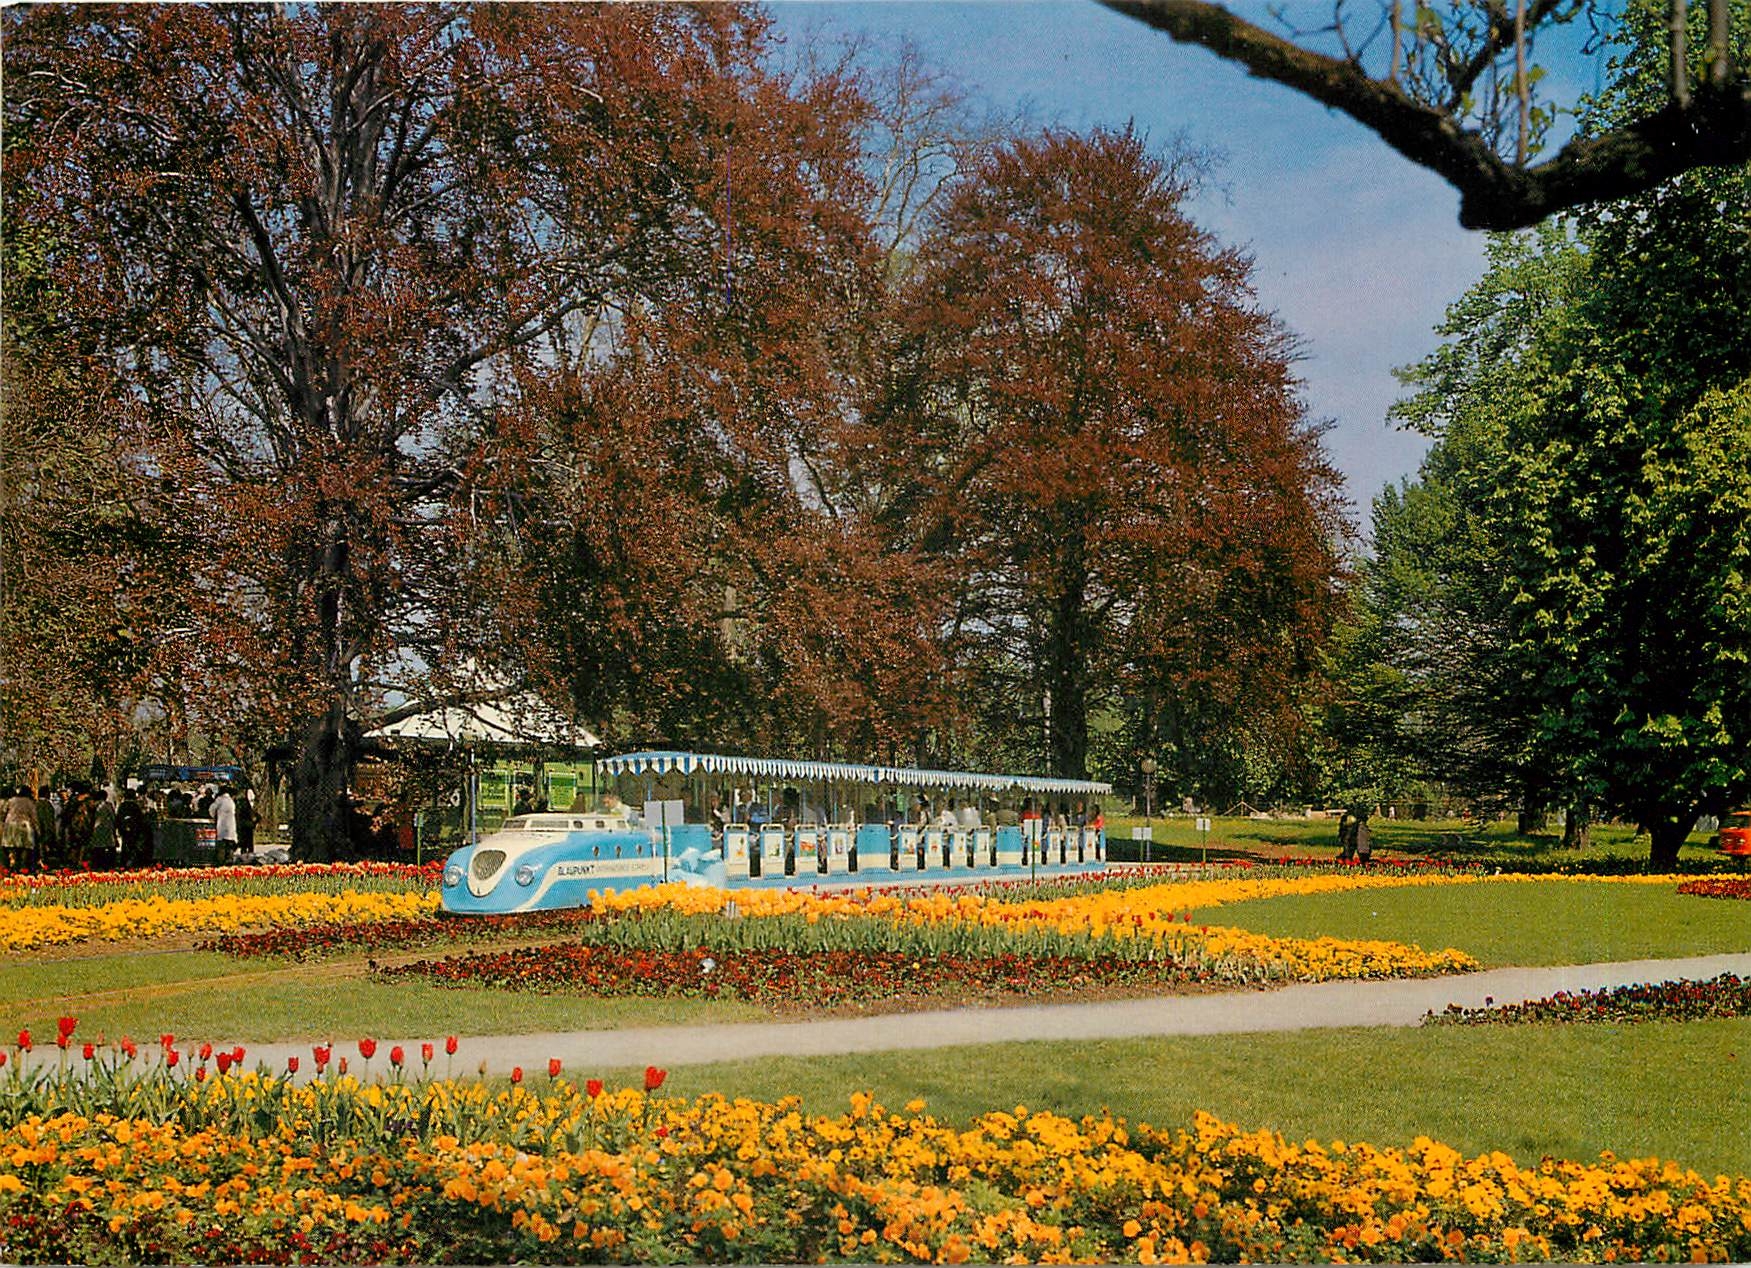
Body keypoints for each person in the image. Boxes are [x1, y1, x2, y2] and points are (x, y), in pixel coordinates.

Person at [2, 787, 36, 871]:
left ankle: (12, 860)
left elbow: (3, 812)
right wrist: (37, 829)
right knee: (25, 848)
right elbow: (34, 817)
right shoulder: (29, 802)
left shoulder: (11, 801)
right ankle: (22, 866)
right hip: (24, 826)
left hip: (11, 825)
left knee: (11, 847)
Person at [116, 787, 148, 866]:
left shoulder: (122, 806)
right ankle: (132, 862)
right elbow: (140, 819)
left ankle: (123, 862)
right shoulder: (135, 806)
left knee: (125, 845)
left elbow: (118, 818)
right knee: (133, 847)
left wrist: (119, 829)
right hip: (134, 830)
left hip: (124, 830)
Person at [89, 789, 117, 866]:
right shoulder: (108, 805)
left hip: (97, 828)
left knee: (98, 847)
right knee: (109, 845)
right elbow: (113, 817)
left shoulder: (94, 805)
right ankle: (109, 862)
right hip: (107, 828)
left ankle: (97, 862)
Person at [211, 784, 238, 859]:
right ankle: (229, 860)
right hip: (231, 828)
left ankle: (221, 862)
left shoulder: (220, 799)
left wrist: (213, 817)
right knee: (229, 847)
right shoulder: (231, 801)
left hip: (222, 827)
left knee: (222, 847)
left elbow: (211, 809)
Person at [34, 788, 58, 867]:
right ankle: (42, 861)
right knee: (43, 845)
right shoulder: (48, 805)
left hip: (36, 828)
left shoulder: (35, 804)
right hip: (45, 829)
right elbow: (49, 819)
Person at [235, 789, 257, 857]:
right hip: (247, 825)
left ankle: (245, 854)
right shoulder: (245, 805)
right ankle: (249, 854)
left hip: (244, 825)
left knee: (245, 842)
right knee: (248, 842)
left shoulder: (240, 804)